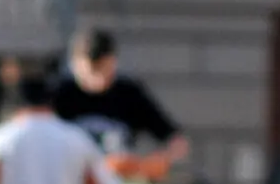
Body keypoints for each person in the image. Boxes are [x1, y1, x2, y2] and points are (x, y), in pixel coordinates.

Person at [52, 28, 189, 159]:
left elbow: (175, 141)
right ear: (75, 65)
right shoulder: (60, 94)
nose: (98, 79)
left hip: (117, 177)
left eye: (103, 70)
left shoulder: (129, 93)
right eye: (92, 72)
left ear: (113, 62)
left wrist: (152, 164)